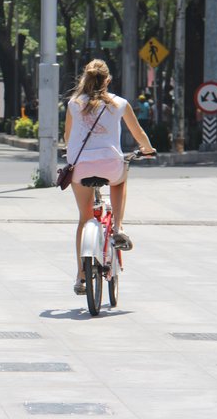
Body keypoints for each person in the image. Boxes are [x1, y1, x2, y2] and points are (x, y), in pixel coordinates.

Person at [64, 59, 155, 296]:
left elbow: (67, 136)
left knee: (84, 219)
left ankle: (80, 276)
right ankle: (117, 227)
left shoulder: (74, 104)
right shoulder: (120, 103)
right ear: (108, 80)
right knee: (120, 178)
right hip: (110, 164)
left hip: (80, 167)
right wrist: (147, 149)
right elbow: (139, 134)